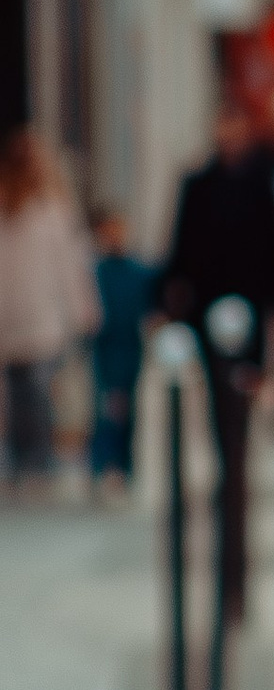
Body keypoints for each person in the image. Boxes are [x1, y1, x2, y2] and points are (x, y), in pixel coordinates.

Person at [162, 103, 274, 619]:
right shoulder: (198, 184)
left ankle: (237, 582)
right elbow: (181, 251)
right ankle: (229, 578)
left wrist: (270, 342)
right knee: (223, 443)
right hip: (205, 327)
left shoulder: (263, 183)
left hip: (248, 332)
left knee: (238, 447)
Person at [0, 128, 99, 491]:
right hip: (21, 312)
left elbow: (70, 265)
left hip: (36, 314)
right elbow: (72, 265)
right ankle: (25, 459)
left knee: (33, 390)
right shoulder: (23, 209)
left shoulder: (52, 210)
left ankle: (34, 460)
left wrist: (80, 308)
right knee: (23, 392)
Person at [86, 208, 155, 491]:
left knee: (127, 407)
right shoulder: (95, 271)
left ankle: (124, 465)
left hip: (130, 346)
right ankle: (103, 464)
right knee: (105, 406)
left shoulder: (139, 270)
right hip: (103, 347)